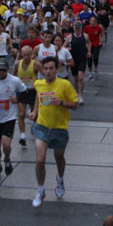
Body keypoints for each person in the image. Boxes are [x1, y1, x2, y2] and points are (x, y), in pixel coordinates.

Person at [29, 56, 78, 208]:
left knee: (59, 158)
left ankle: (60, 179)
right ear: (42, 70)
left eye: (51, 68)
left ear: (57, 69)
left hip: (59, 128)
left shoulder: (65, 84)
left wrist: (61, 103)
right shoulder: (38, 83)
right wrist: (35, 111)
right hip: (42, 126)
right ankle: (40, 190)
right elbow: (38, 97)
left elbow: (75, 105)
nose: (48, 71)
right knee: (40, 159)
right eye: (46, 69)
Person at [0, 58, 27, 180]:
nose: (1, 72)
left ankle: (7, 159)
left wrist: (17, 100)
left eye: (3, 70)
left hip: (9, 117)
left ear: (7, 69)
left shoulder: (14, 80)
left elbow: (24, 93)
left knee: (6, 144)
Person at [13, 46, 38, 146]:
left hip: (33, 91)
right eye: (24, 55)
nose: (26, 57)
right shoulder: (17, 64)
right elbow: (13, 76)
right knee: (21, 114)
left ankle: (33, 125)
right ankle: (22, 135)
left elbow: (45, 74)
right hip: (22, 91)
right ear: (21, 54)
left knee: (34, 114)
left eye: (28, 55)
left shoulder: (35, 64)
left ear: (31, 54)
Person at [65, 21, 91, 103]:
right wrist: (66, 49)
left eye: (79, 28)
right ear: (74, 28)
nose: (78, 30)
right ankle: (76, 92)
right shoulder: (70, 37)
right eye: (76, 28)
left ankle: (80, 95)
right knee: (75, 79)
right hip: (73, 59)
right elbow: (63, 46)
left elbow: (89, 43)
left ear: (81, 28)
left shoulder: (85, 36)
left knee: (81, 77)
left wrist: (89, 51)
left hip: (82, 58)